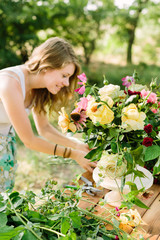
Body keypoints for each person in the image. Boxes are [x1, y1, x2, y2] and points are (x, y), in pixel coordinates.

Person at [0, 37, 96, 192]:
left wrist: (76, 144)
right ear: (47, 66)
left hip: (4, 145)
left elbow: (44, 128)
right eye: (64, 75)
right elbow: (29, 141)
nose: (66, 83)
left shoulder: (38, 88)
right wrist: (73, 154)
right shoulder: (10, 84)